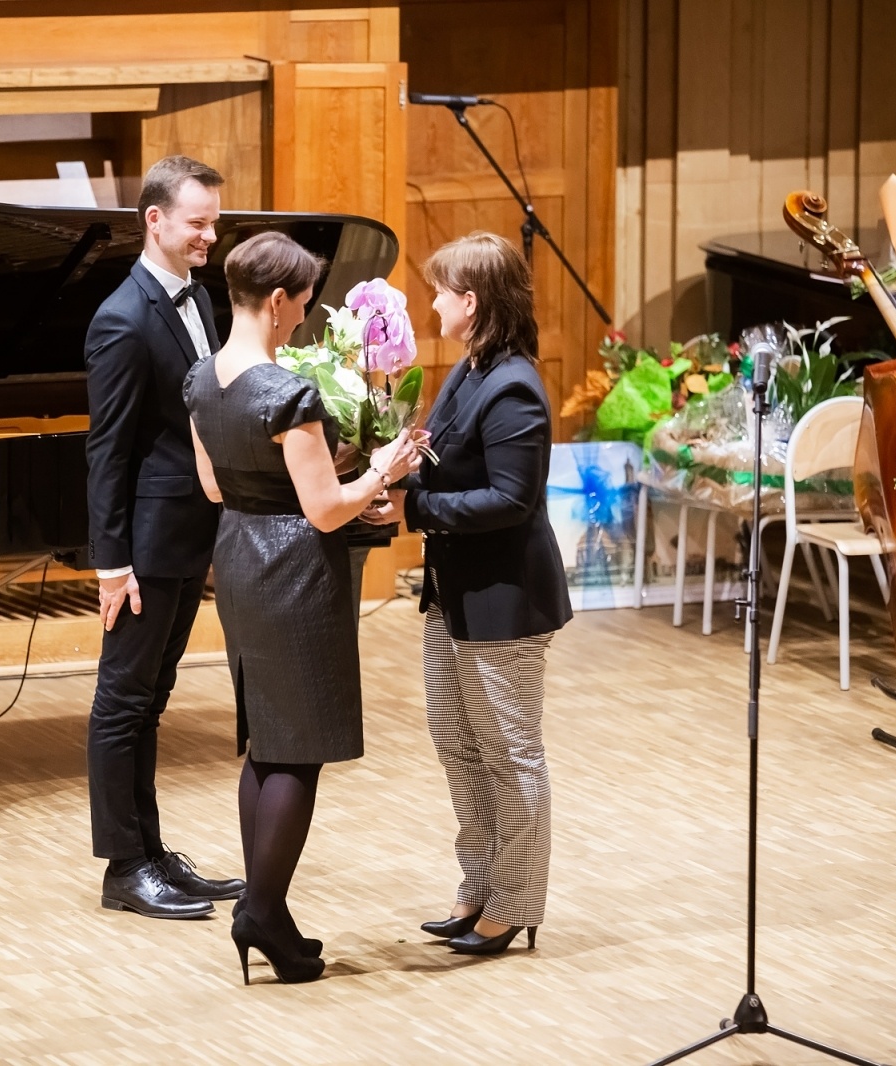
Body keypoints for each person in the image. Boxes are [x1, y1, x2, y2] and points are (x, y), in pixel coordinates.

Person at [185, 231, 420, 984]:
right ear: (280, 300)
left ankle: (269, 913)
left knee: (267, 740)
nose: (304, 316)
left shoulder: (200, 380)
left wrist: (329, 473)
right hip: (296, 571)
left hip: (241, 561)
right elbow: (324, 511)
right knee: (299, 748)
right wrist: (381, 467)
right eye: (304, 302)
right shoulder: (288, 391)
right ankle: (260, 909)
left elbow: (217, 487)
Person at [364, 231, 572, 956]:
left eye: (441, 291)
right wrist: (390, 477)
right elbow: (449, 467)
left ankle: (515, 900)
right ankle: (479, 883)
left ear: (472, 301)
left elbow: (512, 500)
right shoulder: (469, 370)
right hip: (455, 591)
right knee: (457, 741)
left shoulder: (513, 386)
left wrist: (414, 510)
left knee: (510, 752)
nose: (432, 302)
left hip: (505, 598)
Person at [84, 155, 245, 919]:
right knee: (122, 702)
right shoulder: (120, 318)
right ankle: (124, 868)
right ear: (155, 220)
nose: (211, 235)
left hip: (185, 534)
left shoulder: (198, 301)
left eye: (214, 221)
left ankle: (151, 851)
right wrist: (112, 563)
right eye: (198, 223)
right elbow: (107, 452)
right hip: (144, 548)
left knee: (152, 701)